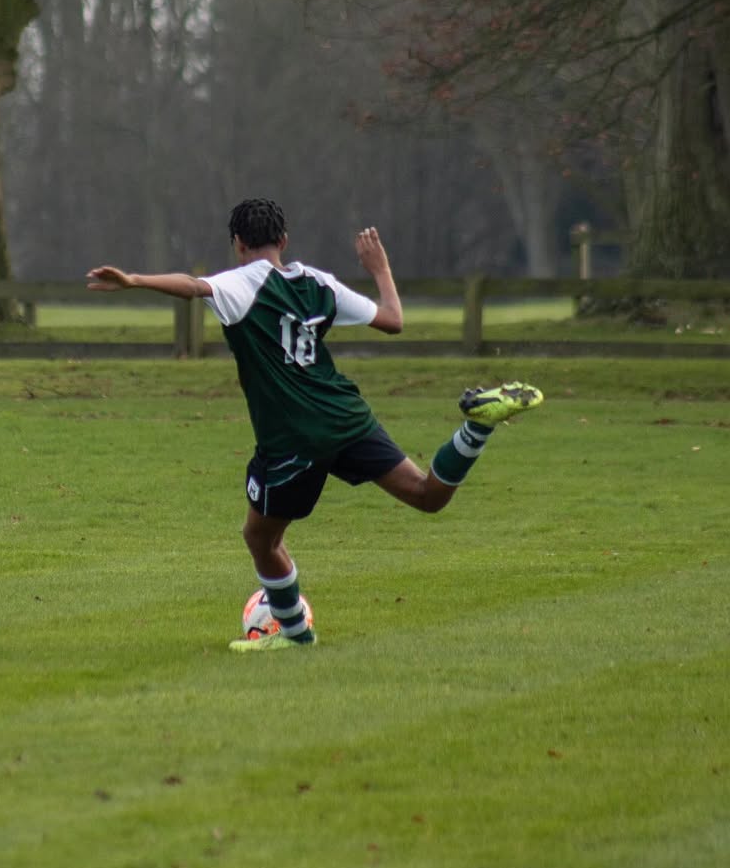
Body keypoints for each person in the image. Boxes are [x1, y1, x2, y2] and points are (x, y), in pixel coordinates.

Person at [87, 198, 543, 652]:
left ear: (238, 244)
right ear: (284, 240)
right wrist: (380, 270)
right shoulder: (318, 283)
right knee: (427, 495)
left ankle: (296, 636)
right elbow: (393, 320)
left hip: (293, 437)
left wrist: (134, 280)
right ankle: (477, 428)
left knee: (261, 537)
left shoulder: (242, 282)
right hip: (345, 416)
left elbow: (192, 286)